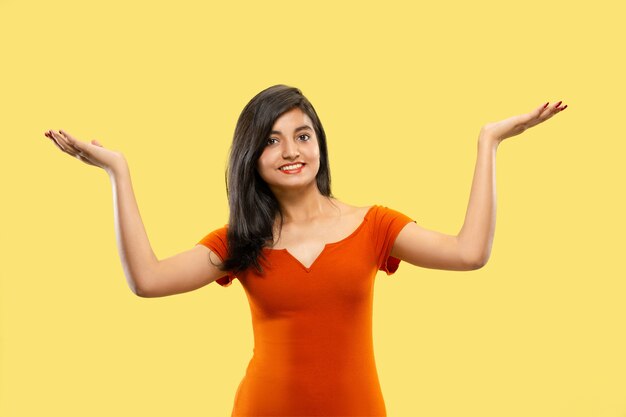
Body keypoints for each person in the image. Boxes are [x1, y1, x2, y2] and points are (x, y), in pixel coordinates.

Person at [43, 85, 567, 416]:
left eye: (302, 135)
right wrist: (118, 171)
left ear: (319, 143)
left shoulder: (374, 225)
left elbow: (469, 252)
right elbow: (148, 280)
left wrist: (488, 143)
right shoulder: (240, 240)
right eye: (272, 140)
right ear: (251, 156)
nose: (291, 151)